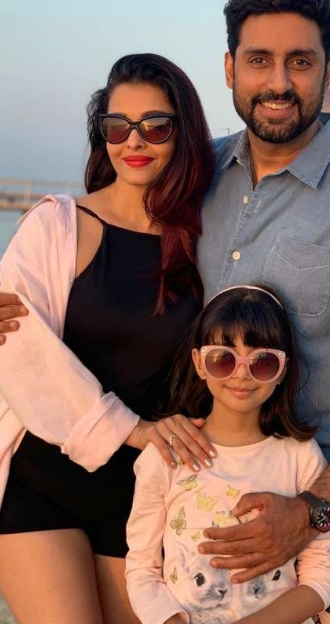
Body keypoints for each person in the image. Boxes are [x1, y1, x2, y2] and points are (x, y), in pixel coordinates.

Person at [2, 0, 330, 623]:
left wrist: (312, 508)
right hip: (184, 490)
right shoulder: (199, 178)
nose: (278, 82)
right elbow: (73, 269)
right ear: (229, 69)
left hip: (329, 499)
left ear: (328, 70)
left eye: (300, 61)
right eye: (258, 60)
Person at [0, 53, 216, 624]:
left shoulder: (204, 244)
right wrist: (135, 429)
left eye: (156, 126)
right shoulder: (56, 226)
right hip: (41, 481)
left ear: (184, 133)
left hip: (145, 496)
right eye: (117, 126)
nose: (133, 141)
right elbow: (19, 355)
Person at [125, 284, 330, 624]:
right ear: (199, 363)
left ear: (282, 369)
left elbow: (321, 574)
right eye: (223, 359)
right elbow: (142, 569)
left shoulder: (301, 455)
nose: (241, 374)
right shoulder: (164, 456)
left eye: (262, 362)